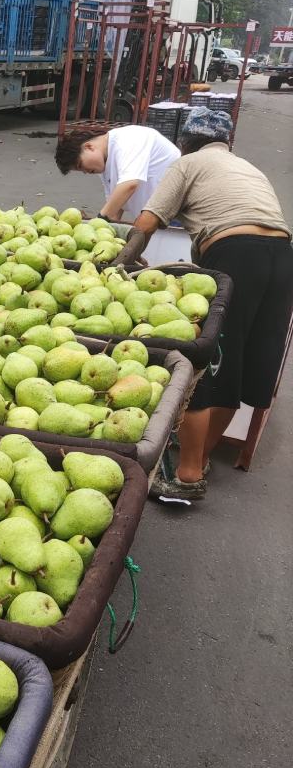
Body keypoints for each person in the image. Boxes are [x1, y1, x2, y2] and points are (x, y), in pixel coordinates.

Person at [131, 107, 293, 501]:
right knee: (238, 365)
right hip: (283, 256)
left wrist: (116, 264)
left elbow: (149, 220)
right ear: (227, 142)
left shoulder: (188, 164)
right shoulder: (245, 167)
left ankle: (186, 476)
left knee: (206, 361)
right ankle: (199, 460)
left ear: (186, 141)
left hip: (235, 253)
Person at [54, 123, 180, 222]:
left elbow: (129, 184)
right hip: (155, 218)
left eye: (81, 165)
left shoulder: (128, 139)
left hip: (177, 216)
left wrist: (99, 222)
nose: (85, 172)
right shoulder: (104, 165)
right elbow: (114, 208)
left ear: (89, 147)